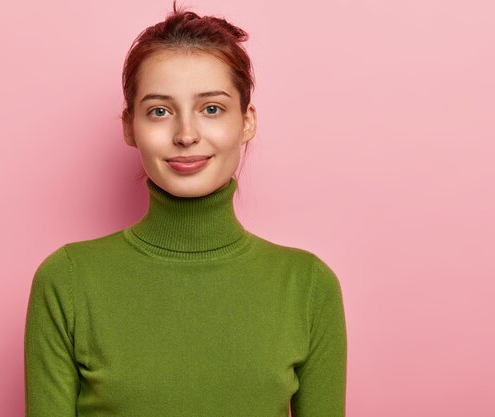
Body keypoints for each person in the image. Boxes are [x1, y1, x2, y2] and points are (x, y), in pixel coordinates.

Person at [24, 1, 347, 416]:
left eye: (212, 108)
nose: (186, 134)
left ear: (246, 121)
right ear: (129, 126)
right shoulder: (67, 281)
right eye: (159, 111)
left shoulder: (308, 286)